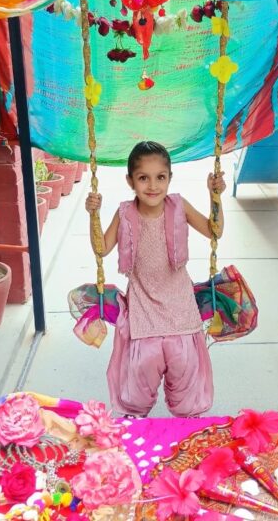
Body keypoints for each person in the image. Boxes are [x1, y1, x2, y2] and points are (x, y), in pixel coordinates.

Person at [85, 141, 226, 417]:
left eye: (160, 177)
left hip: (180, 309)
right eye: (143, 178)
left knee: (185, 374)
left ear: (169, 178)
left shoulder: (179, 206)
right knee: (140, 377)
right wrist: (94, 215)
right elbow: (102, 248)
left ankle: (186, 425)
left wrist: (215, 196)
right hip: (144, 311)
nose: (153, 186)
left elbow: (214, 231)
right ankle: (137, 425)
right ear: (130, 181)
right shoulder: (125, 213)